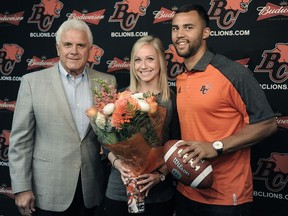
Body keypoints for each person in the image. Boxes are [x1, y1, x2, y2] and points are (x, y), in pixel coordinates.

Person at [170, 4, 278, 216]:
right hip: (187, 190)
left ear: (206, 32)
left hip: (226, 197)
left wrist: (216, 146)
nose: (180, 34)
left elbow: (268, 124)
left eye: (188, 27)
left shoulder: (233, 73)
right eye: (175, 28)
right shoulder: (180, 76)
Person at [8, 19, 116, 216]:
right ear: (58, 48)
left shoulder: (106, 83)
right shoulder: (32, 83)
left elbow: (110, 136)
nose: (74, 51)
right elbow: (20, 141)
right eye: (68, 44)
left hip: (90, 190)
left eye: (80, 45)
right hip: (47, 191)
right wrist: (22, 187)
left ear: (89, 50)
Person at [104, 35, 180, 216]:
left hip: (158, 194)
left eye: (150, 59)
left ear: (161, 61)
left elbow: (178, 146)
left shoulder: (173, 100)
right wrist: (118, 163)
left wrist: (159, 175)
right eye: (138, 60)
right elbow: (106, 143)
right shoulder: (120, 97)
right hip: (118, 191)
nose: (143, 66)